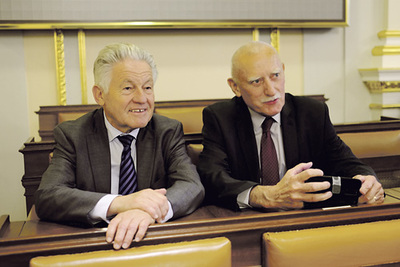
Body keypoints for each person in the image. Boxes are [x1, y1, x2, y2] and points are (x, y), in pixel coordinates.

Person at [35, 43, 204, 250]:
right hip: (95, 244)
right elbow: (49, 195)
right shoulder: (73, 135)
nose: (142, 99)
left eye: (148, 87)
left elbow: (191, 186)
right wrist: (123, 203)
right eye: (128, 88)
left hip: (152, 242)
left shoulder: (166, 131)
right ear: (100, 95)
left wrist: (147, 210)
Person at [197, 41, 385, 211]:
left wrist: (367, 180)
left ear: (284, 71)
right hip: (249, 219)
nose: (271, 90)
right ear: (235, 87)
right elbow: (213, 177)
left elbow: (345, 161)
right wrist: (263, 195)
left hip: (304, 218)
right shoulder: (220, 118)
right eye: (256, 81)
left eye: (276, 76)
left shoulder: (312, 112)